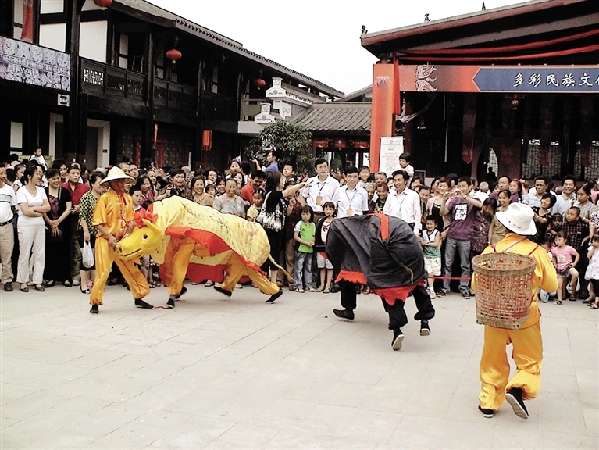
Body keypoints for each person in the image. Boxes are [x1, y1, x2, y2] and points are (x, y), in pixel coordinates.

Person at [475, 202, 557, 419]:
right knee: (530, 359)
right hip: (525, 315)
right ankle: (518, 388)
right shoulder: (536, 252)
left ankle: (488, 402)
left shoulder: (490, 251)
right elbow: (552, 286)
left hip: (494, 313)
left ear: (506, 225)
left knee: (492, 357)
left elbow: (476, 285)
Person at [327, 214, 435, 350]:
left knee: (389, 289)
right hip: (413, 247)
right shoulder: (387, 221)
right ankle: (425, 320)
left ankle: (397, 330)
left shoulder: (366, 229)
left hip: (390, 247)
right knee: (417, 281)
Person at [89, 166, 152, 313]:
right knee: (103, 272)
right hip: (105, 239)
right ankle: (95, 302)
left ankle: (139, 296)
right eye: (117, 181)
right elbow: (97, 222)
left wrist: (130, 227)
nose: (120, 183)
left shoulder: (127, 199)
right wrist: (109, 236)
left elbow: (130, 219)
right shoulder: (104, 198)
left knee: (130, 267)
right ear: (110, 183)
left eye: (122, 180)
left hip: (122, 240)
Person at [261, 171, 309, 298]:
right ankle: (268, 284)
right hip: (270, 230)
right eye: (282, 179)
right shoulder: (273, 194)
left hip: (278, 229)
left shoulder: (279, 197)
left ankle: (272, 285)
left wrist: (290, 206)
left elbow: (286, 214)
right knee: (270, 257)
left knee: (275, 256)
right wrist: (301, 185)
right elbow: (288, 191)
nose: (284, 182)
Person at [439, 176, 482, 298]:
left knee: (465, 264)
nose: (461, 188)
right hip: (452, 235)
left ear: (470, 187)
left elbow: (480, 205)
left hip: (466, 236)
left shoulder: (473, 199)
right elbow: (443, 212)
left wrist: (465, 197)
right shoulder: (454, 200)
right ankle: (445, 287)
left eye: (464, 186)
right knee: (447, 263)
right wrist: (444, 200)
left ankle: (464, 288)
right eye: (460, 186)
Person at [15, 164, 50, 292]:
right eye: (37, 174)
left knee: (40, 252)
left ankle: (37, 281)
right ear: (29, 176)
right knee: (25, 252)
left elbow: (47, 207)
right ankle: (23, 281)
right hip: (26, 224)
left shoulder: (41, 190)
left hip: (39, 224)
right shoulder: (21, 191)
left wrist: (34, 208)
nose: (39, 176)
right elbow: (25, 211)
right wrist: (37, 210)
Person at [42, 168, 73, 287]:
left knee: (64, 251)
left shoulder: (65, 191)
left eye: (57, 178)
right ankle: (50, 277)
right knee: (50, 252)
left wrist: (58, 221)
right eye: (53, 178)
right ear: (48, 179)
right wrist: (50, 222)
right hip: (48, 225)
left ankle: (65, 277)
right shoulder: (43, 192)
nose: (56, 180)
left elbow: (68, 208)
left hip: (63, 225)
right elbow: (42, 207)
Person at [62, 164, 89, 286]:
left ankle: (76, 274)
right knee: (67, 250)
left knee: (78, 251)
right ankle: (65, 275)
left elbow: (88, 204)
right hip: (66, 222)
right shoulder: (63, 187)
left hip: (80, 222)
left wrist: (79, 208)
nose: (76, 176)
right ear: (68, 174)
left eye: (78, 173)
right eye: (73, 173)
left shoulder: (84, 188)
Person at [78, 171, 105, 295]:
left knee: (96, 259)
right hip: (87, 231)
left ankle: (95, 282)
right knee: (86, 259)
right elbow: (82, 215)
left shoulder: (104, 197)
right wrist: (85, 231)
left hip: (100, 233)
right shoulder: (86, 197)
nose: (101, 186)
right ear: (92, 183)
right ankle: (83, 284)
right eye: (99, 183)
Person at [551, 232, 579, 305]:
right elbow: (553, 256)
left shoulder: (569, 248)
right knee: (559, 285)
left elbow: (577, 254)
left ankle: (571, 285)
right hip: (560, 268)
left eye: (559, 240)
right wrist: (555, 263)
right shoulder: (554, 249)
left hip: (568, 266)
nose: (557, 242)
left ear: (565, 240)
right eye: (556, 240)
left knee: (575, 274)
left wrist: (575, 262)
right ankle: (559, 300)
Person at [0, 166, 16, 291]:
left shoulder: (9, 190)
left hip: (6, 225)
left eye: (4, 173)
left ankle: (7, 280)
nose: (3, 176)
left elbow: (13, 207)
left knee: (7, 253)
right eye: (0, 173)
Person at [293, 205, 316, 293]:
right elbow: (296, 236)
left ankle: (308, 285)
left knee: (308, 268)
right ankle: (298, 285)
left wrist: (312, 242)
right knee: (299, 268)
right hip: (301, 248)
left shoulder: (313, 225)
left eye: (307, 214)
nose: (305, 216)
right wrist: (306, 243)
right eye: (303, 214)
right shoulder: (299, 224)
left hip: (309, 249)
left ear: (311, 215)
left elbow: (314, 236)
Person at [314, 201, 335, 293]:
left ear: (334, 210)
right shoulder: (320, 221)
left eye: (330, 209)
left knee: (330, 267)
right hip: (321, 246)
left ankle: (328, 285)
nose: (328, 211)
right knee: (321, 266)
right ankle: (322, 284)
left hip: (330, 247)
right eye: (326, 209)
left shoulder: (335, 222)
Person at [419, 216, 442, 298]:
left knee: (435, 274)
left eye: (431, 224)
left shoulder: (437, 232)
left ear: (435, 225)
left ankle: (429, 286)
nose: (429, 226)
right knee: (429, 273)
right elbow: (419, 239)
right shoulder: (423, 232)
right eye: (427, 224)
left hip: (435, 257)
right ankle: (431, 290)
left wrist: (425, 243)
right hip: (426, 256)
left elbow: (436, 244)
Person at [586, 235, 599, 309]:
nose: (596, 243)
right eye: (594, 241)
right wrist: (593, 249)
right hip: (593, 269)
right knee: (593, 283)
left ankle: (596, 302)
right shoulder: (591, 248)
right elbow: (588, 256)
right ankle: (593, 298)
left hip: (598, 270)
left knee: (597, 286)